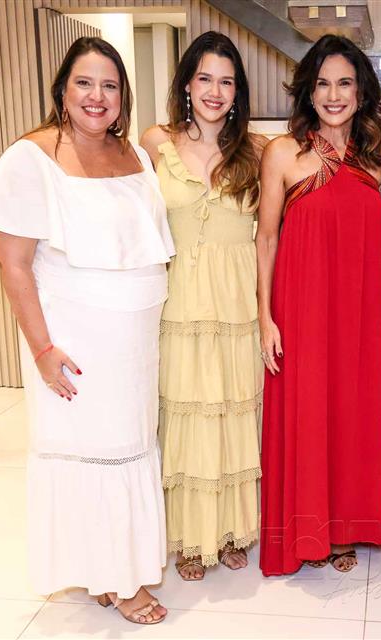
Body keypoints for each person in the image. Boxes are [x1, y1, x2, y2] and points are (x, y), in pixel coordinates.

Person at [0, 37, 174, 625]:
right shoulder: (29, 157)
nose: (97, 96)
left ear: (123, 96)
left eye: (110, 85)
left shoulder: (133, 154)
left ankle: (111, 570)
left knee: (129, 449)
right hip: (74, 341)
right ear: (62, 89)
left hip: (134, 343)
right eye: (85, 82)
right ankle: (118, 581)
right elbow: (13, 263)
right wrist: (41, 349)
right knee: (92, 454)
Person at [256, 34, 381, 576]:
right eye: (322, 84)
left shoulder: (378, 159)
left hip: (359, 313)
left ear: (361, 93)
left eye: (345, 84)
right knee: (309, 412)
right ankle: (307, 529)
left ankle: (343, 528)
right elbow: (266, 237)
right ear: (308, 93)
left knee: (350, 413)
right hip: (302, 310)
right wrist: (265, 317)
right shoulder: (283, 154)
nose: (334, 95)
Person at [141, 31, 266, 581]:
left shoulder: (258, 151)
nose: (215, 91)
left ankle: (232, 529)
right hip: (179, 304)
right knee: (186, 417)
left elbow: (271, 236)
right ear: (187, 84)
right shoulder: (155, 143)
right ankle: (191, 538)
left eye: (227, 82)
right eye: (205, 78)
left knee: (235, 414)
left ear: (238, 92)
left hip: (237, 306)